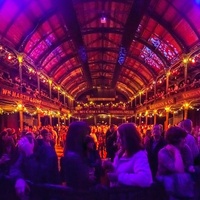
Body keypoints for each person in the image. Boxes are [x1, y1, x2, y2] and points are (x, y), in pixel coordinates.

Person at [10, 133, 59, 198]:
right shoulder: (24, 149)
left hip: (47, 194)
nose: (20, 153)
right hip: (32, 193)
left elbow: (40, 176)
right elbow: (15, 167)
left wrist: (29, 154)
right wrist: (19, 179)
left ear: (32, 144)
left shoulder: (47, 152)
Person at [105, 123, 153, 187]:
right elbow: (122, 169)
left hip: (130, 195)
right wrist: (112, 167)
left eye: (120, 138)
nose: (117, 141)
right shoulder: (121, 152)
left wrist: (119, 177)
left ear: (128, 139)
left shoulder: (139, 155)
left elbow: (144, 179)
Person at [157, 126, 195, 199]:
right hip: (164, 187)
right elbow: (179, 171)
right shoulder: (163, 152)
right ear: (176, 140)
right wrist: (176, 152)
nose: (185, 140)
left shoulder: (186, 148)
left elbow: (190, 166)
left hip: (180, 185)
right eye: (183, 138)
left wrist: (189, 168)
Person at [60, 121, 95, 190]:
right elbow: (81, 181)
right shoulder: (74, 156)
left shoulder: (73, 152)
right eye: (86, 134)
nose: (87, 137)